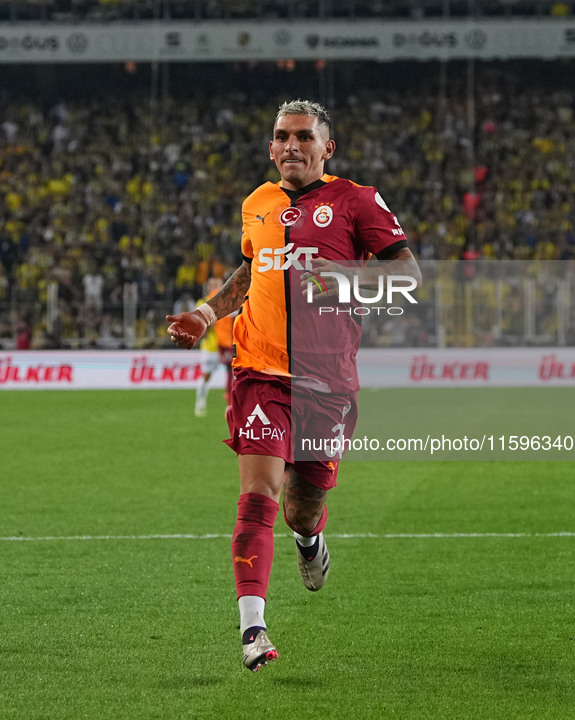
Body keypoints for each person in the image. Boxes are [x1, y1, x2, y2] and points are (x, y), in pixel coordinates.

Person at [166, 99, 421, 672]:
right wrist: (206, 317)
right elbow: (250, 272)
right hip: (259, 371)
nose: (290, 146)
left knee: (302, 509)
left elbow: (407, 278)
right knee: (256, 497)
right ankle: (253, 630)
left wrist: (349, 281)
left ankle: (309, 541)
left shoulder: (355, 200)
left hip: (327, 383)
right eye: (281, 136)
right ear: (271, 145)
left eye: (303, 137)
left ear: (326, 148)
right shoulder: (256, 203)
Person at [194, 277, 235, 416]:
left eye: (218, 283)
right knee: (207, 375)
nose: (215, 286)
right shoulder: (202, 302)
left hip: (225, 343)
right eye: (212, 284)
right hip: (211, 345)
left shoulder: (227, 301)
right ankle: (200, 401)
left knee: (231, 372)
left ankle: (229, 405)